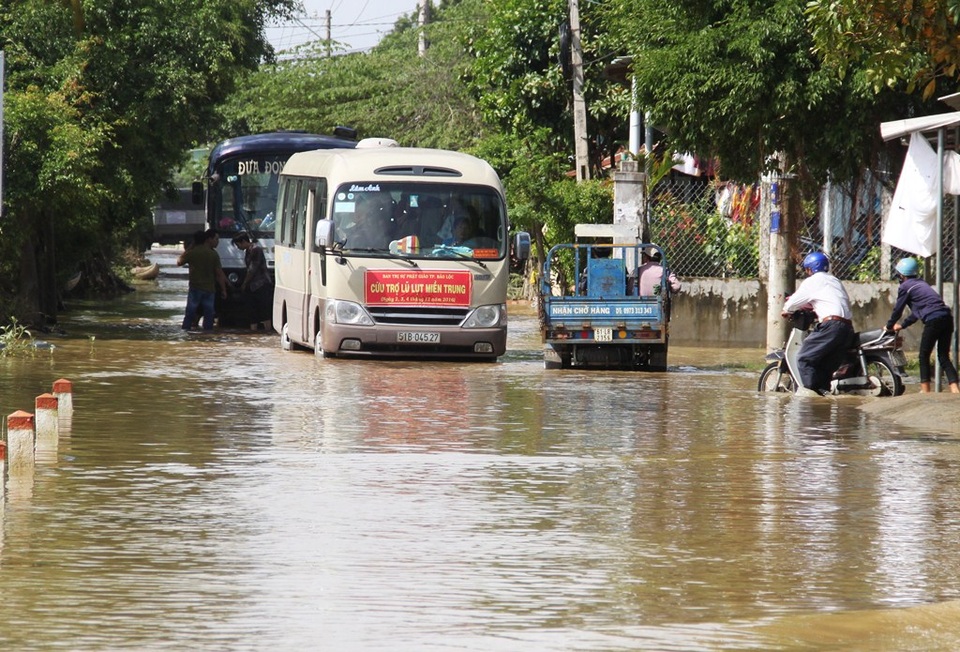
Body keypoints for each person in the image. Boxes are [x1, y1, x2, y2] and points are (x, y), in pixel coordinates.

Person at [781, 251, 855, 396]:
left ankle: (810, 398)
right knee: (823, 367)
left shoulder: (813, 281)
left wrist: (786, 310)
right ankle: (822, 398)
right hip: (846, 328)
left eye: (807, 269)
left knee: (804, 358)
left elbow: (794, 301)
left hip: (831, 326)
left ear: (810, 269)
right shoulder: (835, 280)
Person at [885, 257, 960, 394]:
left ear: (901, 275)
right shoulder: (922, 284)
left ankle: (925, 390)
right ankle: (955, 389)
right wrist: (902, 325)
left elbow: (898, 310)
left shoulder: (905, 287)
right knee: (943, 356)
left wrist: (889, 326)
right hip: (947, 318)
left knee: (923, 355)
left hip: (933, 320)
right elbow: (916, 313)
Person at [177, 228, 228, 330]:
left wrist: (190, 247)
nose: (218, 242)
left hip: (195, 288)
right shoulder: (213, 254)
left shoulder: (193, 252)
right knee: (209, 315)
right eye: (216, 239)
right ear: (207, 239)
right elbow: (219, 274)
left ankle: (186, 331)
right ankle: (207, 335)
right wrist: (224, 290)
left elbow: (179, 262)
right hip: (209, 289)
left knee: (190, 313)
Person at [231, 232, 273, 331]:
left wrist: (244, 283)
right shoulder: (248, 251)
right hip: (253, 286)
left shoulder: (256, 250)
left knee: (264, 310)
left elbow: (252, 269)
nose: (238, 247)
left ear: (243, 241)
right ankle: (253, 332)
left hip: (261, 284)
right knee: (252, 311)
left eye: (238, 245)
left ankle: (267, 330)